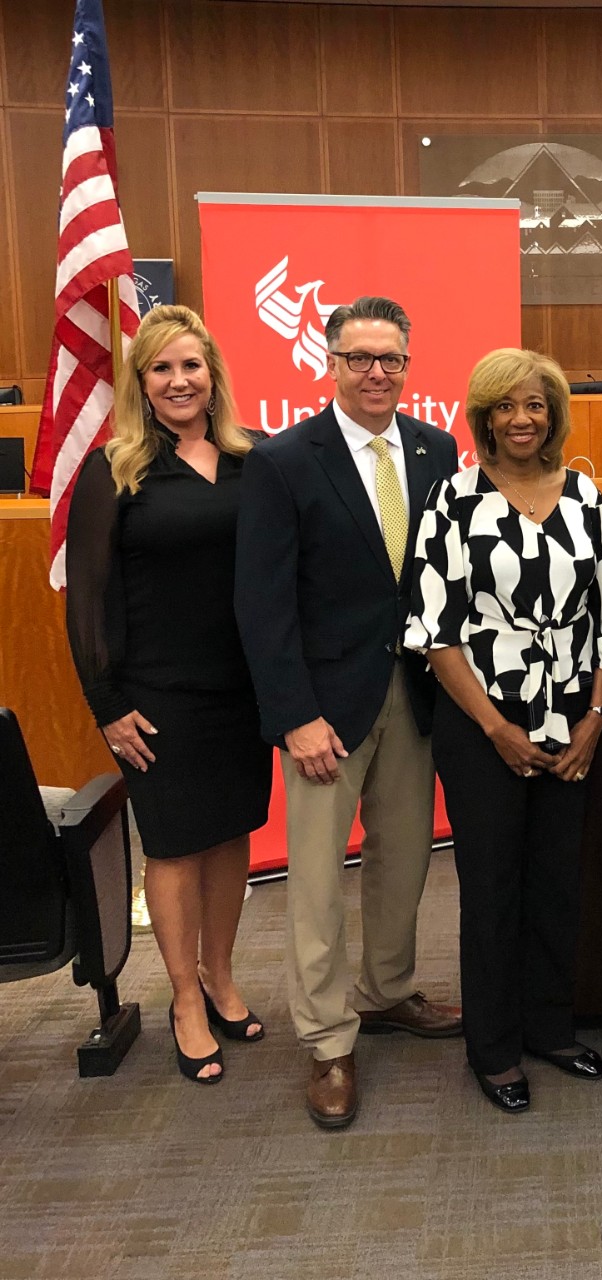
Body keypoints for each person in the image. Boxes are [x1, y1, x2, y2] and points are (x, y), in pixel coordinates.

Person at [235, 296, 461, 1131]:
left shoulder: (438, 451)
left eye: (391, 359)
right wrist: (294, 714)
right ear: (328, 362)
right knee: (320, 884)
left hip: (416, 695)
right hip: (324, 710)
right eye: (360, 357)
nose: (376, 372)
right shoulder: (286, 459)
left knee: (404, 861)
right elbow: (262, 604)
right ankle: (329, 1040)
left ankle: (389, 991)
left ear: (409, 364)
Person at [405, 348, 602, 1114]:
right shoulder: (453, 499)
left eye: (535, 404)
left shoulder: (585, 497)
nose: (522, 419)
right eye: (506, 406)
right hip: (480, 726)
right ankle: (494, 1049)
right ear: (484, 417)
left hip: (572, 723)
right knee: (492, 890)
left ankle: (550, 1028)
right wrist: (497, 728)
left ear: (553, 413)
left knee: (558, 885)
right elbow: (435, 635)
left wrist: (596, 718)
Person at [65, 304, 271, 1085]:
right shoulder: (114, 467)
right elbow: (84, 597)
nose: (179, 380)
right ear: (141, 384)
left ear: (212, 374)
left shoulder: (253, 461)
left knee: (230, 837)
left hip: (243, 690)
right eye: (162, 369)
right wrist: (106, 704)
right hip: (158, 697)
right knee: (177, 846)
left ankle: (221, 976)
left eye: (191, 365)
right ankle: (186, 997)